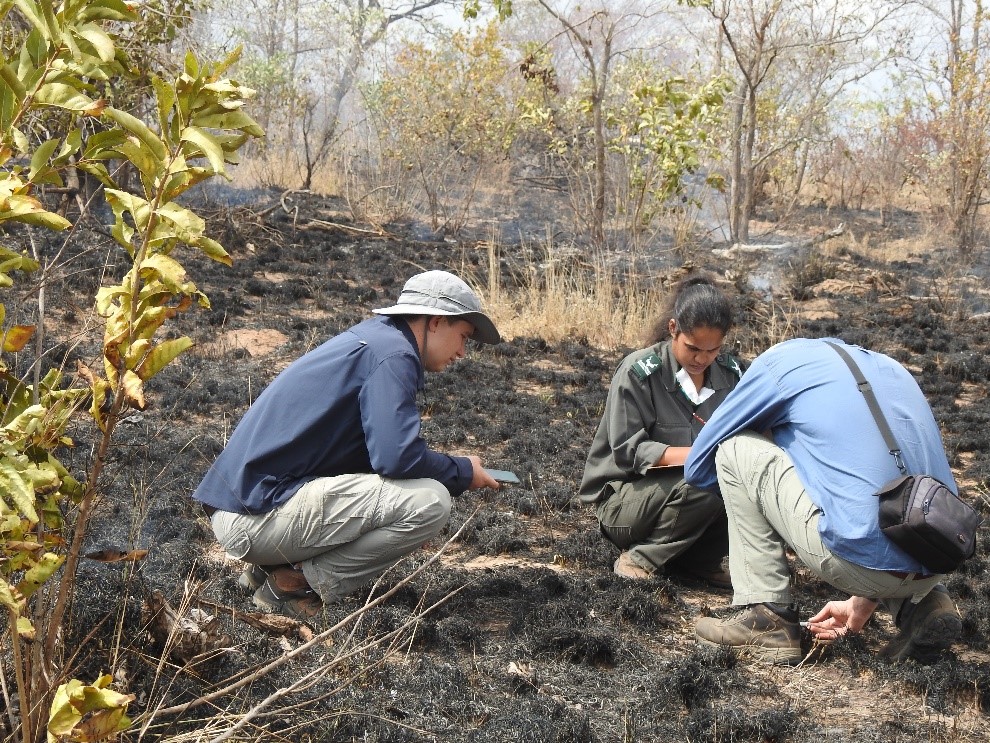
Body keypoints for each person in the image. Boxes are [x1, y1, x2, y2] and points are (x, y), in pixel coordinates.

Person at [192, 270, 502, 619]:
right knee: (429, 502)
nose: (462, 352)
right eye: (463, 336)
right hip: (252, 520)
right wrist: (462, 471)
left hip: (247, 510)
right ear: (435, 322)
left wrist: (391, 529)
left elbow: (371, 456)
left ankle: (267, 570)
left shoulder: (375, 340)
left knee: (411, 498)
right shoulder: (394, 356)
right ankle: (294, 584)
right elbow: (396, 459)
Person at [684, 337, 964, 664]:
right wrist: (863, 602)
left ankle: (765, 614)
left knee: (734, 449)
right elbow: (895, 500)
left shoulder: (777, 364)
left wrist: (774, 502)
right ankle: (926, 606)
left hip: (858, 561)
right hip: (940, 557)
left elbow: (699, 466)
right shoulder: (892, 368)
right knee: (880, 486)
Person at [579, 275, 745, 588]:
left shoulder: (732, 375)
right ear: (673, 330)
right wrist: (702, 455)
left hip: (688, 504)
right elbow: (630, 451)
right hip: (625, 505)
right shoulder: (638, 372)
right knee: (706, 474)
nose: (701, 359)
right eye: (693, 348)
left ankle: (701, 562)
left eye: (713, 351)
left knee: (746, 479)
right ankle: (640, 558)